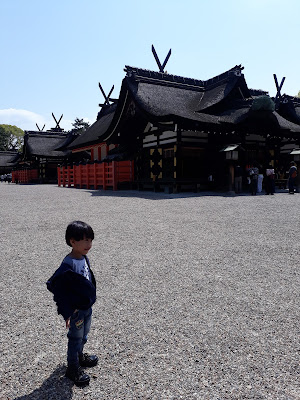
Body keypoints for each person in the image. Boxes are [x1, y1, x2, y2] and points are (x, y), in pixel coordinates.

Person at [47, 221, 97, 387]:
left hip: (86, 306)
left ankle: (80, 356)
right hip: (76, 310)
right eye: (85, 240)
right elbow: (59, 289)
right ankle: (72, 368)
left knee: (83, 335)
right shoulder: (67, 265)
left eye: (90, 240)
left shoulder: (83, 257)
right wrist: (67, 312)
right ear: (72, 241)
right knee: (75, 338)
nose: (89, 244)